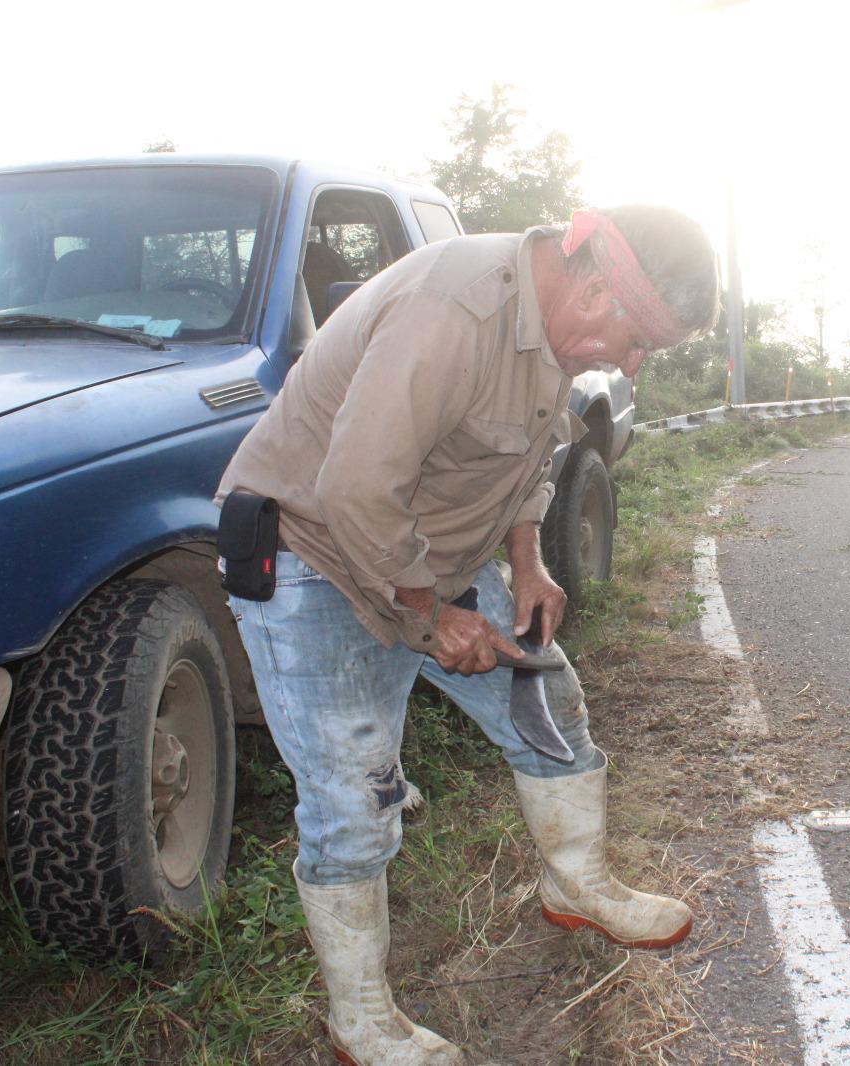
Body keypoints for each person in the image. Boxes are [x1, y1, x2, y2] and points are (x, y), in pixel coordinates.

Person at [216, 206, 719, 1065]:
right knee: (357, 798)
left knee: (545, 697)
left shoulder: (557, 331)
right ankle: (362, 1022)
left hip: (426, 545)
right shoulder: (456, 311)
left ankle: (577, 881)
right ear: (596, 287)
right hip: (312, 554)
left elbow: (523, 459)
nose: (631, 365)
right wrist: (432, 615)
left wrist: (528, 566)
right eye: (637, 340)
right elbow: (357, 487)